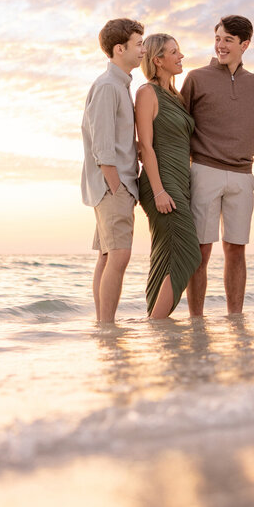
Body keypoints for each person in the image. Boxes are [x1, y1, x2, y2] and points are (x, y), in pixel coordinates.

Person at [179, 15, 254, 315]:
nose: (220, 45)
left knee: (236, 250)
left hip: (242, 175)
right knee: (201, 251)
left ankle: (235, 318)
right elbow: (179, 125)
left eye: (228, 39)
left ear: (244, 44)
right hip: (205, 171)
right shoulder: (196, 78)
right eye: (218, 38)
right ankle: (196, 320)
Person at [81, 18, 145, 322]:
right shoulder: (108, 86)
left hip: (113, 185)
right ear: (120, 49)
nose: (143, 49)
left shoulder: (120, 84)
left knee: (108, 256)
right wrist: (117, 186)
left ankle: (103, 323)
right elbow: (103, 146)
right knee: (119, 255)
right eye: (138, 44)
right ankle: (107, 325)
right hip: (112, 186)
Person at [135, 34, 203, 318]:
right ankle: (157, 322)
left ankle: (155, 319)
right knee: (188, 252)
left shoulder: (176, 96)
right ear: (157, 60)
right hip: (160, 183)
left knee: (167, 255)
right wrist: (159, 190)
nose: (181, 56)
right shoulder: (147, 93)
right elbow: (146, 146)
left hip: (180, 182)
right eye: (174, 52)